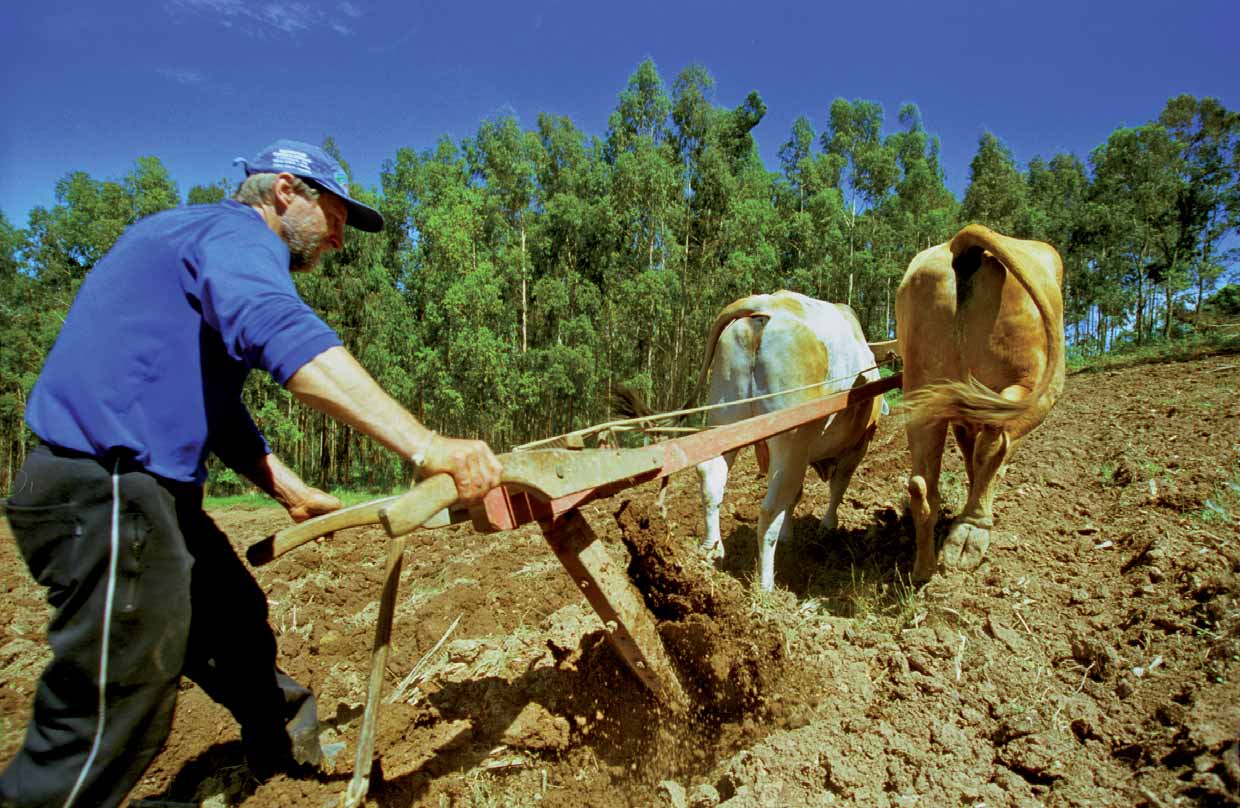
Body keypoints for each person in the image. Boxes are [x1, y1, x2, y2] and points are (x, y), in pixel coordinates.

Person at [0, 139, 503, 808]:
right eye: (336, 217)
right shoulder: (235, 236)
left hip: (138, 493)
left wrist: (286, 488)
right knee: (112, 709)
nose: (339, 241)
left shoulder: (187, 239)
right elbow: (280, 331)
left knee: (235, 625)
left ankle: (289, 778)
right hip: (106, 489)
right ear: (287, 193)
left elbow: (214, 405)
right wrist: (425, 444)